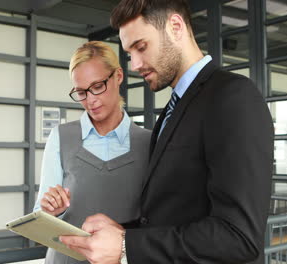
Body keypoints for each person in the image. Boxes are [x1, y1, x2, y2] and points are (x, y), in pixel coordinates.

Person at [60, 0, 274, 264]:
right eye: (129, 53)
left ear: (175, 27)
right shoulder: (171, 113)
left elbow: (238, 236)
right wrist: (120, 232)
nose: (135, 64)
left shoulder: (233, 97)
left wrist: (127, 245)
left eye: (141, 47)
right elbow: (172, 215)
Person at [33, 41, 151, 264]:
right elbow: (40, 220)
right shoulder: (61, 137)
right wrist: (50, 211)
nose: (90, 100)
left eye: (97, 86)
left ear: (118, 76)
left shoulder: (149, 143)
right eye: (81, 92)